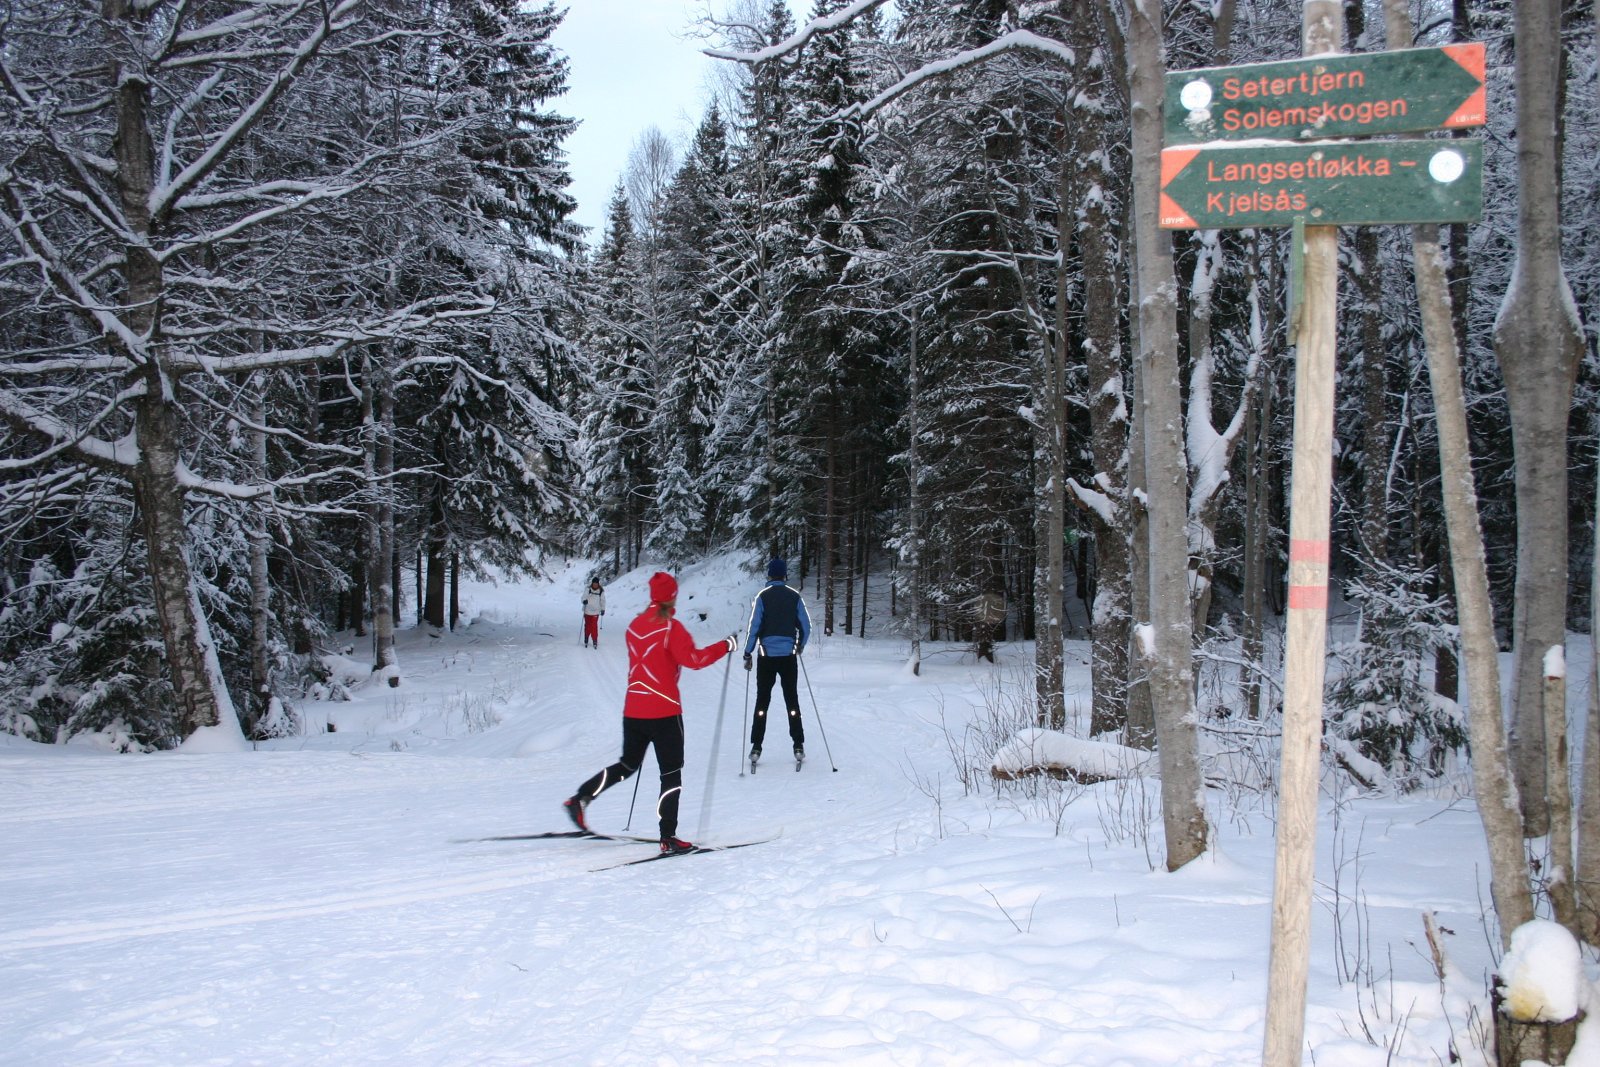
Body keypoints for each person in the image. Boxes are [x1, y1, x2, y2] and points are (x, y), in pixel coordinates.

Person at [564, 571, 736, 854]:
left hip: (634, 709)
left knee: (627, 766)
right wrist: (726, 645)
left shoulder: (635, 626)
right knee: (671, 773)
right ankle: (668, 837)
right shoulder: (671, 627)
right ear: (672, 596)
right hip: (665, 711)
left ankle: (580, 798)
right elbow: (694, 660)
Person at [741, 557, 812, 770]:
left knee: (762, 702)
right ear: (784, 576)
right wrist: (800, 646)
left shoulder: (762, 597)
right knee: (792, 701)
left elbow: (754, 627)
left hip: (766, 657)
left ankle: (756, 746)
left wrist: (747, 652)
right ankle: (798, 744)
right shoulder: (794, 596)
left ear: (770, 575)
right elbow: (806, 626)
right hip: (788, 658)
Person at [581, 577, 606, 648]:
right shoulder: (588, 589)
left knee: (594, 626)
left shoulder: (601, 591)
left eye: (596, 583)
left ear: (598, 584)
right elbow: (583, 597)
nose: (595, 585)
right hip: (587, 611)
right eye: (594, 583)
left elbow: (603, 601)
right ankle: (586, 638)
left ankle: (595, 640)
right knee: (587, 626)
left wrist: (603, 609)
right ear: (592, 583)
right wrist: (584, 601)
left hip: (596, 612)